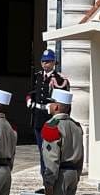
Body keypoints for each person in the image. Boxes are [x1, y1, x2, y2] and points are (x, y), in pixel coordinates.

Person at [27, 48, 69, 185]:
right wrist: (29, 100)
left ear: (54, 63)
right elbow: (32, 91)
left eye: (48, 62)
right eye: (44, 62)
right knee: (41, 150)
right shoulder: (38, 76)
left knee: (51, 151)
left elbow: (62, 100)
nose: (46, 64)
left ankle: (52, 178)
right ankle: (45, 179)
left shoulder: (59, 79)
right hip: (38, 118)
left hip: (50, 118)